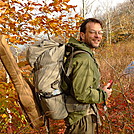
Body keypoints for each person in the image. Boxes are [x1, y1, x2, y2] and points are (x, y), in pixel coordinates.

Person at [61, 18, 112, 134]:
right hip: (82, 120)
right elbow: (81, 94)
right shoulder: (84, 59)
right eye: (92, 32)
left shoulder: (79, 54)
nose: (97, 36)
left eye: (100, 33)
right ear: (82, 35)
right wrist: (103, 94)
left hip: (80, 117)